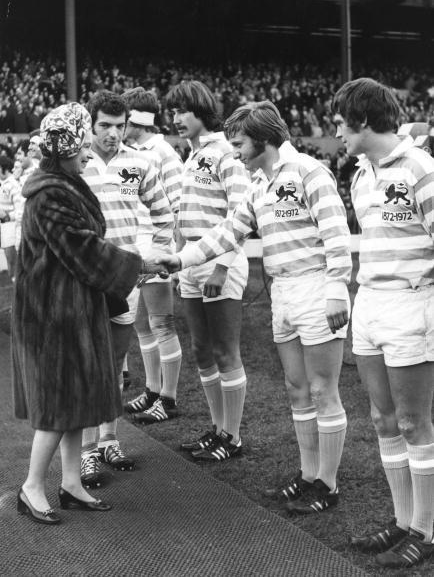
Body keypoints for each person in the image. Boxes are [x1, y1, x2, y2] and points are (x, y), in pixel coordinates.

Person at [148, 100, 352, 508]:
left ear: (262, 139)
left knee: (322, 389)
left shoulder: (311, 173)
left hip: (315, 288)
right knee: (297, 389)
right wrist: (182, 259)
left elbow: (337, 236)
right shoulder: (260, 183)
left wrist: (337, 288)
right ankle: (308, 474)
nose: (235, 151)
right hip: (282, 291)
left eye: (239, 143)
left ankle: (326, 484)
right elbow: (228, 231)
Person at [12, 102, 143, 525]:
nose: (89, 152)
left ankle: (70, 483)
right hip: (51, 315)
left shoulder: (63, 184)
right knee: (56, 404)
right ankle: (32, 487)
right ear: (66, 149)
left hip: (71, 310)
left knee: (77, 401)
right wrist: (137, 263)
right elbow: (82, 248)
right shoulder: (50, 192)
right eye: (84, 144)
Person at [332, 77, 434, 569]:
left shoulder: (420, 168)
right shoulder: (359, 174)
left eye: (341, 123)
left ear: (365, 120)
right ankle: (400, 522)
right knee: (382, 419)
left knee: (415, 422)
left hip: (412, 306)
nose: (336, 133)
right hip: (369, 303)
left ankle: (426, 531)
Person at [80, 90, 174, 487]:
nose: (113, 134)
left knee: (116, 363)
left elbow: (164, 214)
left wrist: (149, 259)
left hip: (124, 276)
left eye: (119, 126)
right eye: (105, 126)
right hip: (84, 277)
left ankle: (109, 439)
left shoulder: (141, 162)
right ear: (91, 124)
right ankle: (84, 452)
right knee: (88, 365)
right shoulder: (77, 162)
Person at [164, 80, 251, 461]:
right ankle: (218, 429)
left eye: (182, 111)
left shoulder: (226, 154)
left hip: (218, 262)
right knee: (201, 349)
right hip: (191, 261)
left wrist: (222, 266)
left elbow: (242, 214)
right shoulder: (191, 154)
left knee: (225, 351)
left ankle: (232, 436)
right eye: (172, 112)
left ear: (200, 109)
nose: (176, 119)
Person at [121, 87, 183, 423]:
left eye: (125, 120)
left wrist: (165, 253)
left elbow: (176, 206)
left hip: (156, 248)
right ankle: (152, 390)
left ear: (138, 120)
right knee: (143, 324)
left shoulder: (163, 153)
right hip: (137, 246)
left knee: (162, 322)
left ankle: (168, 399)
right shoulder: (130, 152)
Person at [0, 155, 21, 279]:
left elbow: (20, 210)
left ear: (4, 168)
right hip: (4, 227)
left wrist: (7, 216)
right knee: (10, 263)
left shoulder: (13, 184)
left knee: (13, 262)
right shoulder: (3, 183)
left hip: (12, 228)